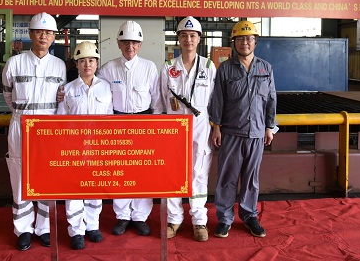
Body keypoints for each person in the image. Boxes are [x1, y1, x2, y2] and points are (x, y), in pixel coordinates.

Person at [1, 12, 66, 251]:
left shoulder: (59, 65)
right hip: (21, 124)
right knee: (19, 176)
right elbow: (8, 95)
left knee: (47, 177)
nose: (43, 37)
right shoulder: (14, 63)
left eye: (48, 33)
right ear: (30, 34)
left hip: (49, 128)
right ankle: (24, 229)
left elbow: (60, 98)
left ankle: (44, 228)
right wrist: (23, 115)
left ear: (53, 37)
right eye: (39, 32)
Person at [208, 20, 278, 239]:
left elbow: (271, 99)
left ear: (255, 42)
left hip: (256, 133)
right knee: (227, 178)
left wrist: (269, 127)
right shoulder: (225, 69)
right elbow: (218, 100)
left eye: (249, 39)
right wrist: (216, 127)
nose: (244, 43)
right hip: (231, 132)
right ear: (234, 42)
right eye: (240, 39)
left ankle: (249, 215)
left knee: (251, 179)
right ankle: (224, 218)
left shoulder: (266, 68)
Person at [97, 20, 163, 237]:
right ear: (118, 43)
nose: (130, 46)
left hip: (144, 123)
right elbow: (101, 97)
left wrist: (154, 126)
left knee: (143, 170)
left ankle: (140, 216)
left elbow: (157, 99)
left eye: (134, 42)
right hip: (117, 123)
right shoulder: (108, 69)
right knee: (120, 170)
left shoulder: (149, 67)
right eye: (125, 42)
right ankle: (123, 215)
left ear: (140, 45)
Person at [160, 16, 216, 242]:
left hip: (201, 128)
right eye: (184, 35)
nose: (188, 40)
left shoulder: (209, 67)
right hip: (174, 128)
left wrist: (216, 127)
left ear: (199, 39)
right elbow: (160, 101)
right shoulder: (168, 67)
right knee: (174, 172)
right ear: (178, 39)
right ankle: (174, 219)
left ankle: (199, 221)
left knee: (199, 173)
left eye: (192, 36)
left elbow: (215, 101)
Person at [58, 41, 112, 250]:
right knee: (74, 190)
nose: (87, 64)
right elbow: (61, 121)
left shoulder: (106, 87)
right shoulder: (68, 90)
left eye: (91, 60)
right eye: (82, 61)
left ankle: (92, 226)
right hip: (74, 148)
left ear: (97, 63)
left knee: (95, 187)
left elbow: (110, 118)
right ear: (76, 64)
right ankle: (76, 231)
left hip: (98, 146)